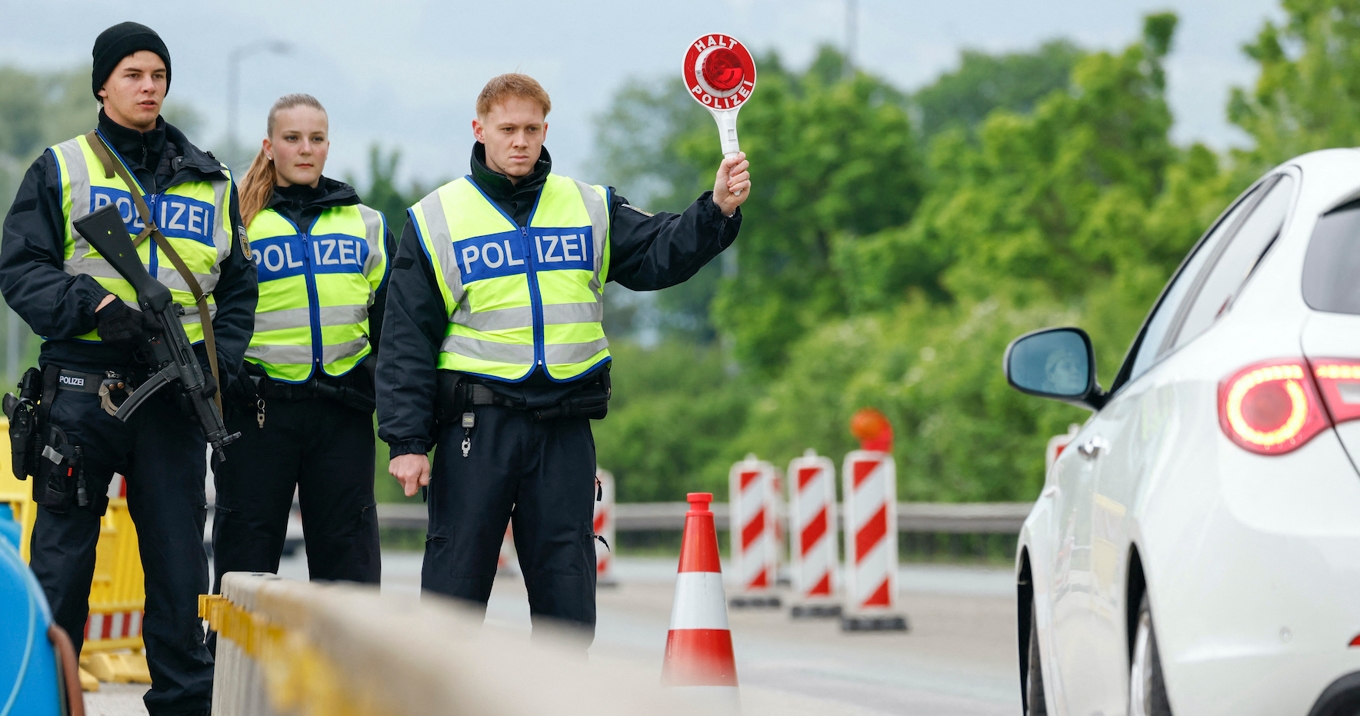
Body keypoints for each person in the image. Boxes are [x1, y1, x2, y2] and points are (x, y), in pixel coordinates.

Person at [377, 73, 750, 644]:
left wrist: (717, 209)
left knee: (567, 599)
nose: (520, 141)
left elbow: (659, 254)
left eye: (531, 128)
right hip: (479, 427)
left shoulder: (588, 204)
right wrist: (406, 441)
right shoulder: (437, 218)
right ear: (479, 131)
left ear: (546, 129)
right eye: (507, 129)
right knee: (453, 595)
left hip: (564, 429)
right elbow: (407, 336)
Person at [0, 22, 257, 715]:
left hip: (175, 397)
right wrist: (93, 307)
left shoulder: (211, 178)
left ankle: (183, 704)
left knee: (179, 571)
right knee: (61, 567)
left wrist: (221, 362)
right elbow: (20, 270)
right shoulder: (61, 167)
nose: (149, 87)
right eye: (134, 75)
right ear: (103, 85)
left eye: (159, 76)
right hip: (81, 398)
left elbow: (236, 289)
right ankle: (40, 702)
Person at [211, 94, 391, 592]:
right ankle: (229, 667)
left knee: (350, 570)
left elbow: (392, 328)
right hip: (258, 413)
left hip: (343, 414)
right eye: (292, 139)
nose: (305, 149)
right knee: (243, 564)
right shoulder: (236, 224)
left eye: (315, 139)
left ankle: (347, 672)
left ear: (328, 146)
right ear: (269, 147)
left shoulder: (367, 224)